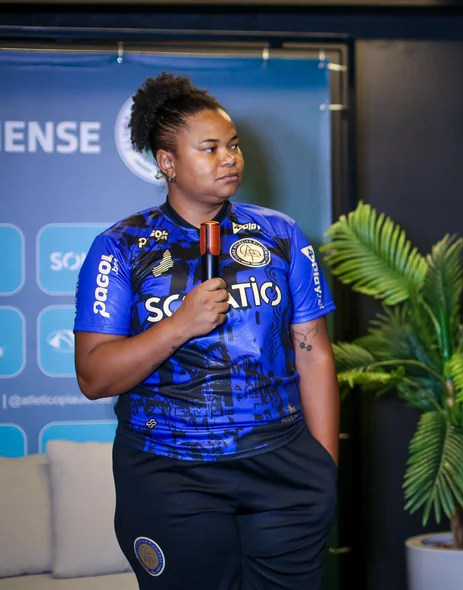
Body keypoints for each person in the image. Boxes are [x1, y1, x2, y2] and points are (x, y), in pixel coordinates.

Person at [73, 72, 340, 589]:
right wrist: (179, 325)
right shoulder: (120, 247)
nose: (230, 158)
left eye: (234, 146)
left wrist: (323, 469)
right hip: (170, 475)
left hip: (281, 465)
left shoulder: (280, 234)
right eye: (211, 147)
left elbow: (314, 355)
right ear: (167, 162)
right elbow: (94, 376)